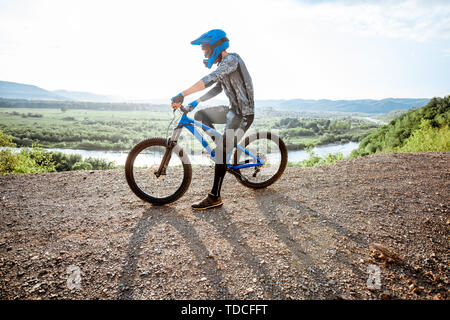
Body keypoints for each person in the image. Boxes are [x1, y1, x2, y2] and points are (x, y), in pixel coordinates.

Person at [171, 29, 254, 210]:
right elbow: (217, 88)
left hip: (243, 115)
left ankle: (215, 197)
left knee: (222, 153)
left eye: (206, 49)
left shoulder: (231, 60)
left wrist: (183, 94)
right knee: (201, 116)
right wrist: (196, 102)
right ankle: (221, 147)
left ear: (217, 46)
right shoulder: (222, 65)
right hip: (232, 110)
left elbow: (210, 79)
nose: (204, 53)